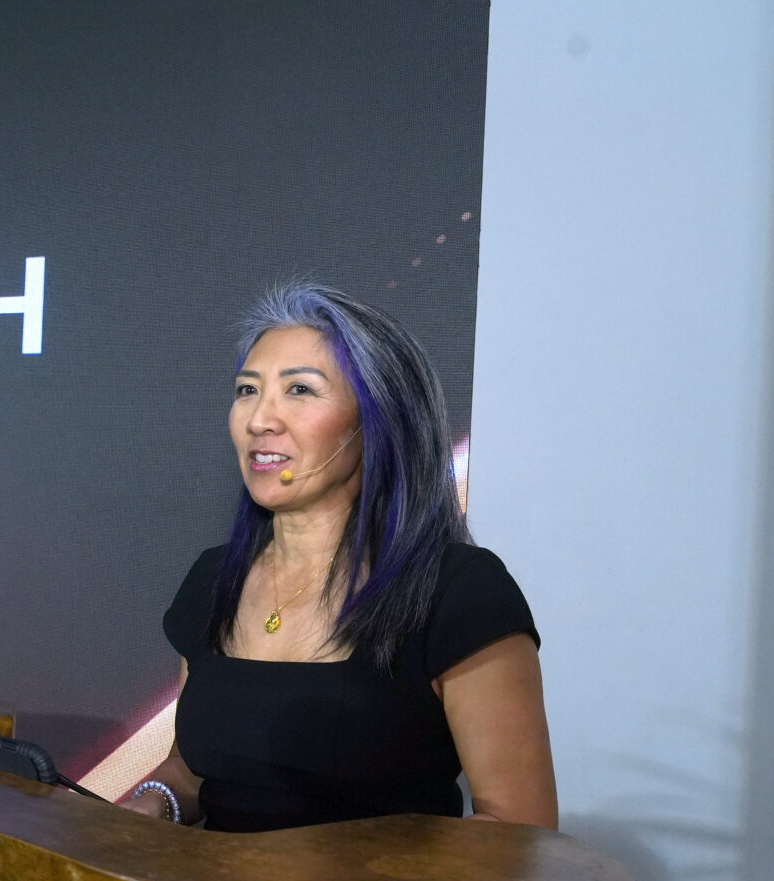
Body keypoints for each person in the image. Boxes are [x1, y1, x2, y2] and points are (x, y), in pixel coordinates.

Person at [124, 283, 557, 832]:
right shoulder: (214, 578)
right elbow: (192, 771)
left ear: (376, 421)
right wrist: (155, 802)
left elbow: (519, 832)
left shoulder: (460, 591)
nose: (259, 420)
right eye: (247, 390)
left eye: (299, 389)